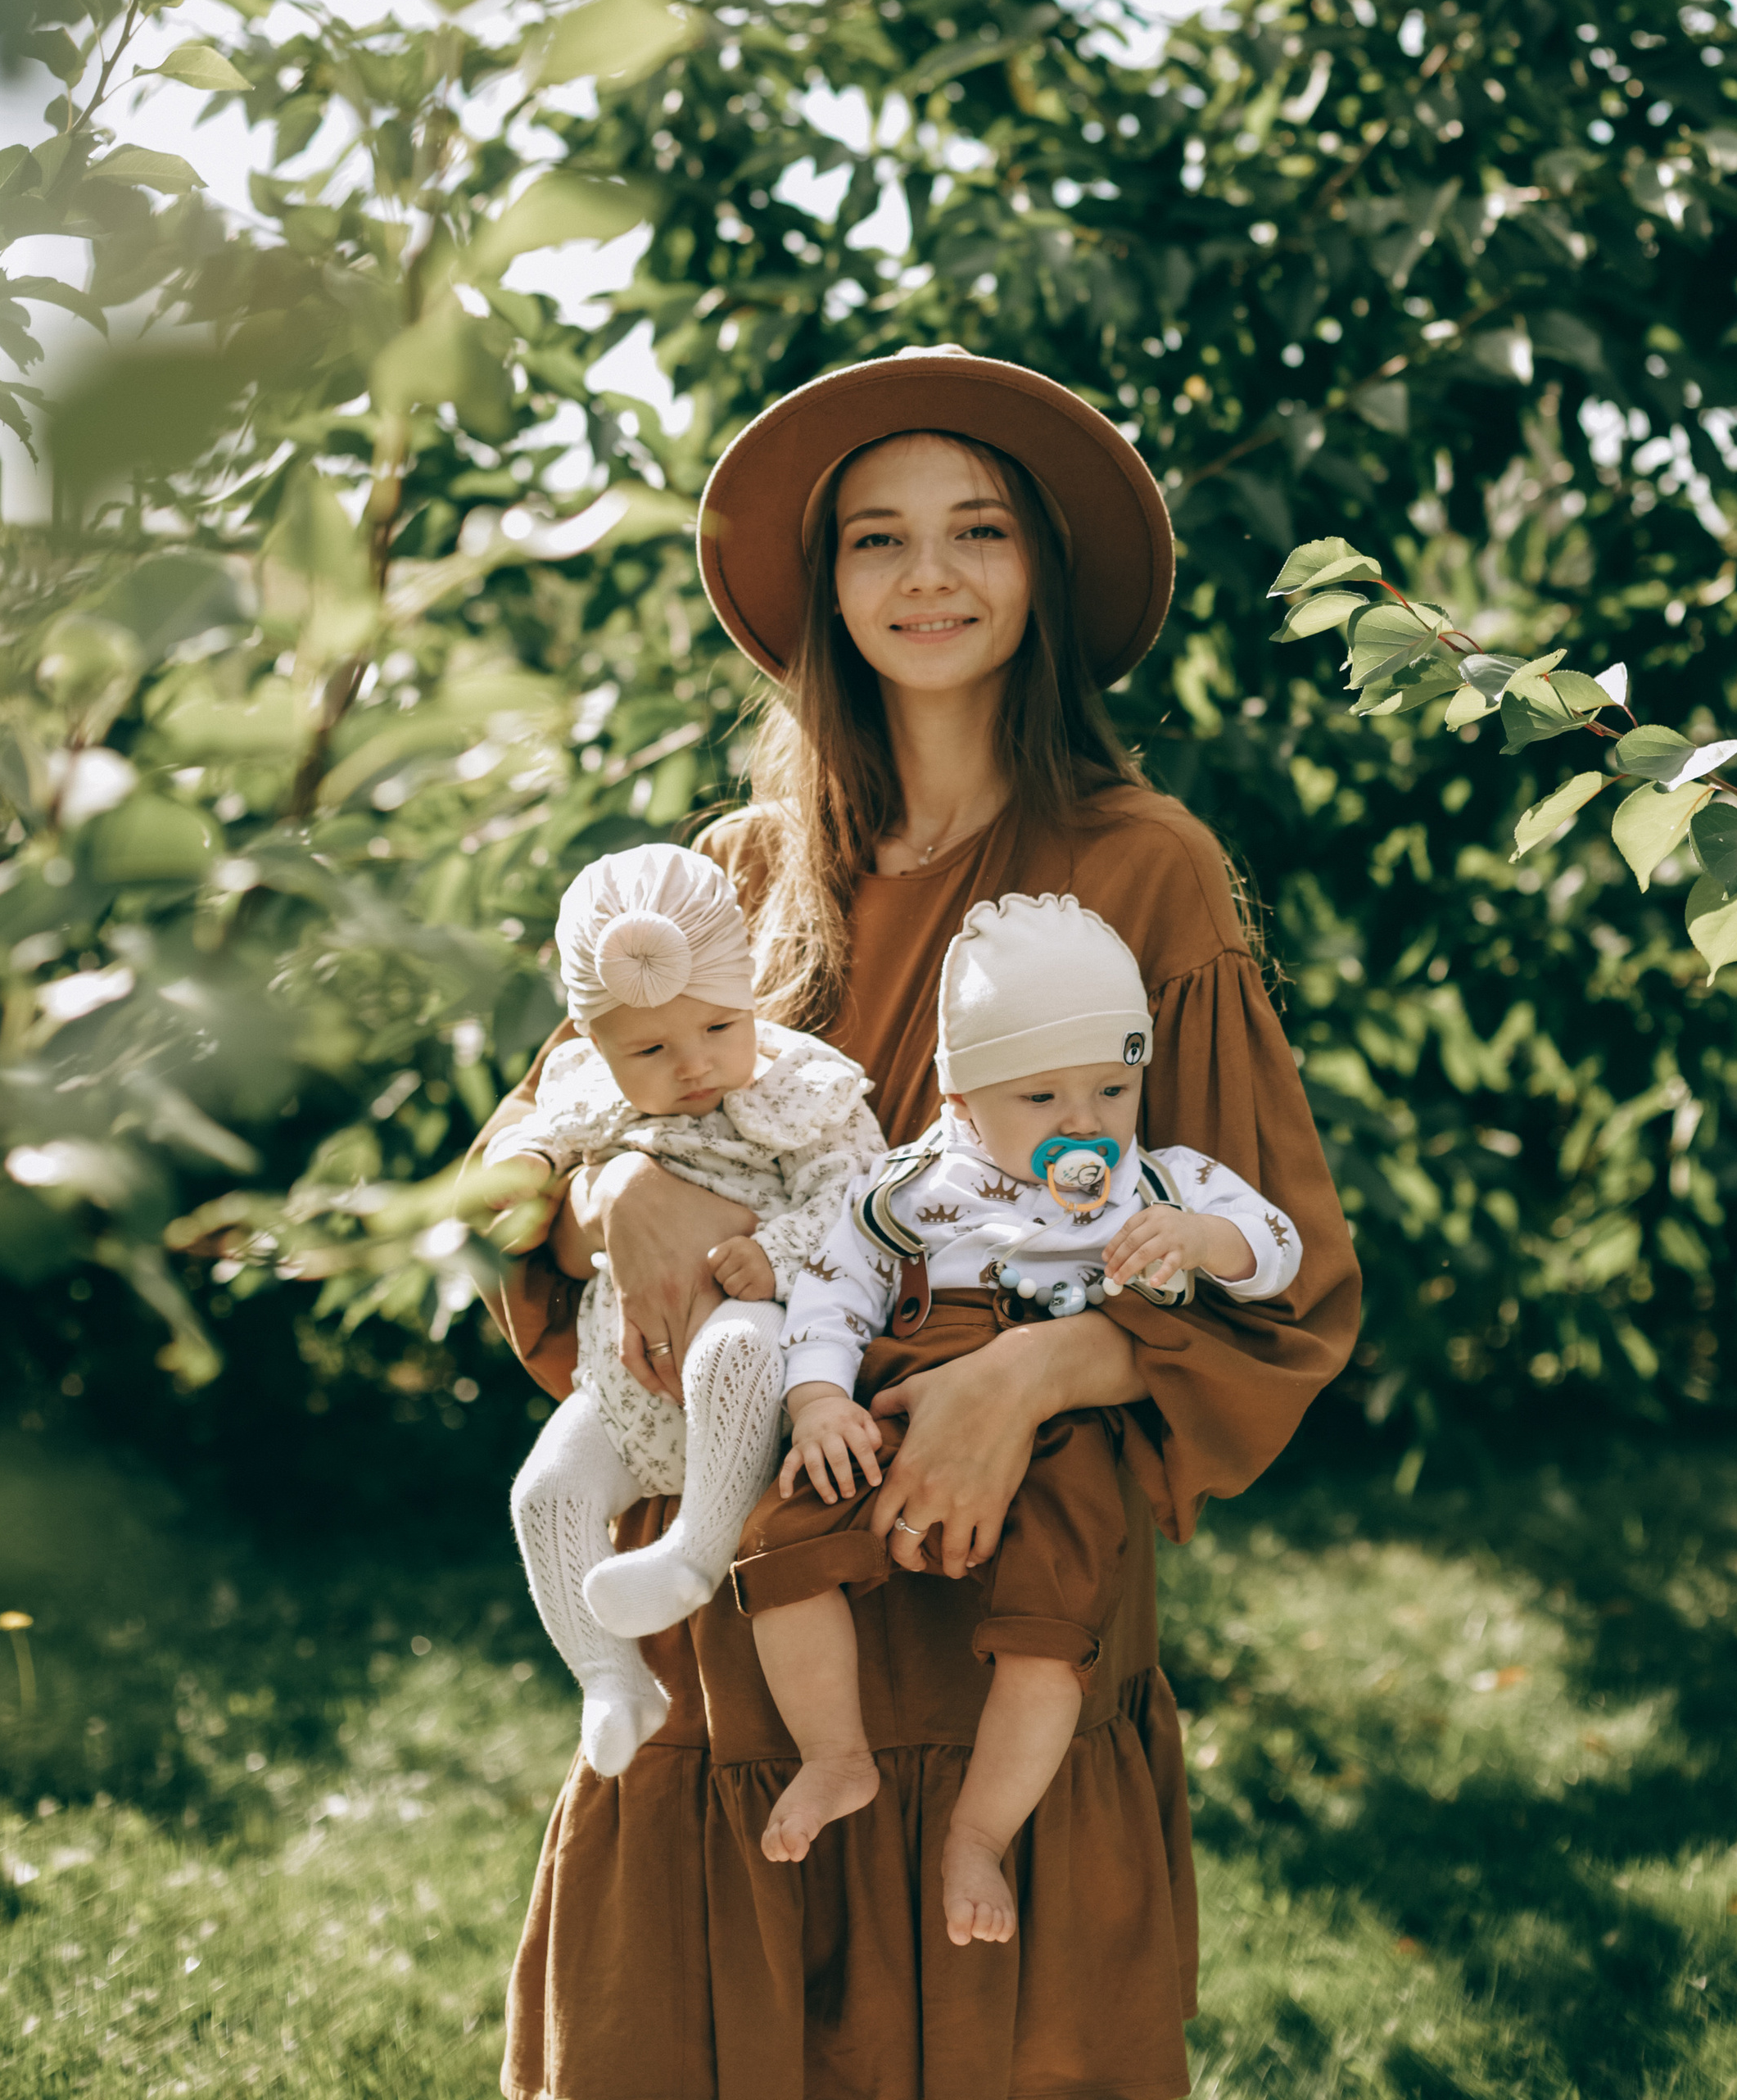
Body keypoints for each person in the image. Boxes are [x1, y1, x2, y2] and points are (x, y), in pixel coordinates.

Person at [472, 345, 1363, 2100]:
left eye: (974, 531)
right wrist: (608, 1187)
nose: (928, 576)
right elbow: (504, 1170)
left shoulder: (1141, 868)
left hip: (1001, 1570)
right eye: (877, 540)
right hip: (747, 1572)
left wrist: (1025, 1379)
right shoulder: (720, 881)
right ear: (824, 589)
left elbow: (1282, 1276)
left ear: (1039, 573)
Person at [737, 889, 1304, 1949]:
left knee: (1053, 1634)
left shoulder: (1158, 1184)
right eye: (1040, 1094)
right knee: (781, 1545)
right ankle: (835, 1754)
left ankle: (980, 1835)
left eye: (1112, 1086)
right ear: (960, 1097)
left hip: (1069, 1432)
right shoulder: (912, 1186)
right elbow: (832, 1283)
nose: (1084, 1120)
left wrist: (1198, 1239)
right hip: (902, 1392)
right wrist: (817, 1395)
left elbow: (1278, 1249)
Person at [482, 841, 883, 1775]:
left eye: (718, 1028)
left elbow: (857, 1200)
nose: (695, 1065)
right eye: (651, 1049)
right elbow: (539, 1143)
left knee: (733, 1351)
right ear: (596, 1046)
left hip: (753, 1342)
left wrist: (770, 1252)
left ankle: (696, 1549)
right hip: (624, 1382)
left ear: (749, 998)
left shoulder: (797, 1089)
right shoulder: (591, 1093)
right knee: (543, 1494)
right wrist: (535, 1178)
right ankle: (610, 1678)